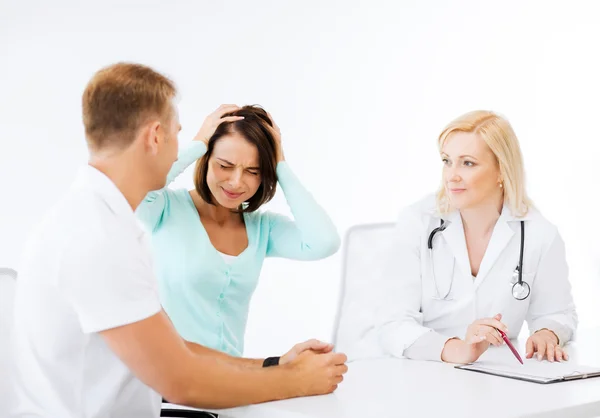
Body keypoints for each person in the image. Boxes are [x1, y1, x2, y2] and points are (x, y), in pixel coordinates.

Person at [8, 63, 347, 418]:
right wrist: (295, 382)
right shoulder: (96, 236)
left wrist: (277, 366)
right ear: (156, 136)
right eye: (180, 135)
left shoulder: (104, 222)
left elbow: (178, 351)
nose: (182, 150)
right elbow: (181, 382)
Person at [135, 104, 340, 356]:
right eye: (225, 165)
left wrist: (280, 166)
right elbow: (137, 186)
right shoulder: (165, 209)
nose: (236, 182)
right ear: (206, 159)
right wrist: (199, 142)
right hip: (168, 385)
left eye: (253, 171)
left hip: (230, 384)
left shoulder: (262, 228)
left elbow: (325, 242)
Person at [377, 110, 577, 364]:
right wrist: (457, 349)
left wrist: (547, 333)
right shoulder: (417, 222)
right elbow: (392, 323)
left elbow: (558, 312)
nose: (452, 175)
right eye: (447, 161)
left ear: (501, 170)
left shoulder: (539, 233)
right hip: (424, 369)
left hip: (501, 374)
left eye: (467, 163)